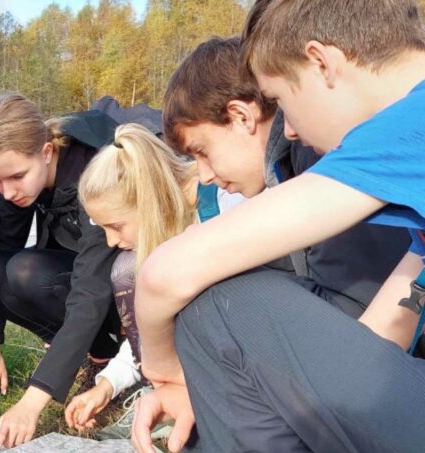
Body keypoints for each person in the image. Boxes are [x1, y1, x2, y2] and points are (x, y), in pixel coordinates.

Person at [130, 1, 425, 453]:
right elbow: (382, 343)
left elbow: (166, 273)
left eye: (284, 98)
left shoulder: (406, 126)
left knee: (220, 308)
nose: (287, 126)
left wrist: (166, 370)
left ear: (323, 62)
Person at [162, 35, 409, 318]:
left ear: (242, 116)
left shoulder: (314, 158)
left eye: (201, 151)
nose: (203, 176)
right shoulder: (292, 163)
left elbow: (351, 310)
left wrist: (218, 262)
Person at [62, 124, 240, 435]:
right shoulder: (168, 223)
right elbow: (148, 328)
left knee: (127, 270)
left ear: (150, 201)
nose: (111, 241)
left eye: (116, 226)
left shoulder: (223, 205)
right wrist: (107, 384)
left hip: (245, 349)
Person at [0, 93, 122, 450]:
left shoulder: (95, 174)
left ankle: (108, 358)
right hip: (78, 277)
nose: (6, 192)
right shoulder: (14, 189)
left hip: (118, 283)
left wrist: (33, 401)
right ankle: (91, 355)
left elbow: (91, 289)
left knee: (26, 271)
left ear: (48, 152)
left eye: (16, 176)